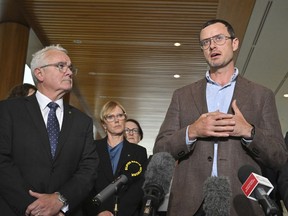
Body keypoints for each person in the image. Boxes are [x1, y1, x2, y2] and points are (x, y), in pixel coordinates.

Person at [153, 19, 288, 216]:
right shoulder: (182, 95)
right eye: (205, 42)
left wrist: (249, 132)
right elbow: (160, 150)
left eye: (218, 38)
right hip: (190, 205)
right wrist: (192, 131)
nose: (212, 46)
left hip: (241, 203)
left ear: (234, 43)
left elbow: (279, 157)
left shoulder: (261, 95)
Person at [0, 44, 99, 216]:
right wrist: (34, 208)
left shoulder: (82, 122)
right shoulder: (8, 111)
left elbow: (88, 169)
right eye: (61, 66)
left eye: (70, 67)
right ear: (39, 73)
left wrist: (60, 201)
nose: (68, 72)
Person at [83, 101, 148, 216]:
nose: (116, 120)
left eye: (120, 115)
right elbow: (85, 183)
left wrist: (117, 212)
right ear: (104, 124)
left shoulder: (139, 152)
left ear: (125, 118)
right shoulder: (92, 148)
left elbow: (138, 189)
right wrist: (99, 212)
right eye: (111, 117)